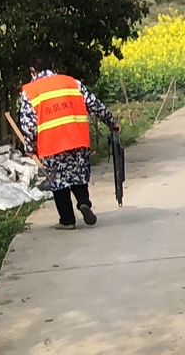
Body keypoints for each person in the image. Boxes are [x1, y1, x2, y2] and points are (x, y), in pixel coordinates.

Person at [17, 56, 120, 231]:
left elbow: (28, 125)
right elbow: (95, 104)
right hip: (77, 139)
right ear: (53, 66)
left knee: (58, 182)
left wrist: (30, 147)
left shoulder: (30, 91)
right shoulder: (72, 83)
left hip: (51, 144)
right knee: (78, 175)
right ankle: (83, 202)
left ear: (32, 70)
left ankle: (67, 220)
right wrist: (111, 122)